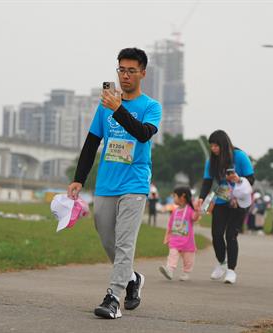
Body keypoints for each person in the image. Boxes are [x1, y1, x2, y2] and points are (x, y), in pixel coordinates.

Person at [67, 48, 162, 319]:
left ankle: (113, 298)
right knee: (106, 237)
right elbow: (91, 143)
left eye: (131, 70)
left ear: (143, 73)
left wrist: (119, 109)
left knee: (124, 243)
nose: (125, 75)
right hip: (107, 183)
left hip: (135, 184)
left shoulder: (151, 107)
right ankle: (132, 279)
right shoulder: (105, 106)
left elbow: (143, 134)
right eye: (121, 69)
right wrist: (78, 179)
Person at [196, 130, 254, 284]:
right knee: (216, 234)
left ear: (224, 144)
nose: (214, 149)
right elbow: (207, 181)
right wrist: (201, 198)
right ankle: (221, 262)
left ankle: (231, 270)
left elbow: (251, 178)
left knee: (231, 235)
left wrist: (238, 179)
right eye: (212, 146)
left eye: (216, 145)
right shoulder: (211, 161)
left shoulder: (239, 156)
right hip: (222, 198)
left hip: (239, 200)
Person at [159, 186, 200, 281]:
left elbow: (195, 218)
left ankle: (186, 272)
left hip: (187, 241)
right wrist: (167, 237)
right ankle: (169, 270)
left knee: (188, 259)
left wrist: (197, 211)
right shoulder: (175, 211)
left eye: (175, 196)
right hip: (175, 240)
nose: (173, 198)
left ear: (182, 197)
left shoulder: (190, 210)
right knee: (172, 255)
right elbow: (170, 225)